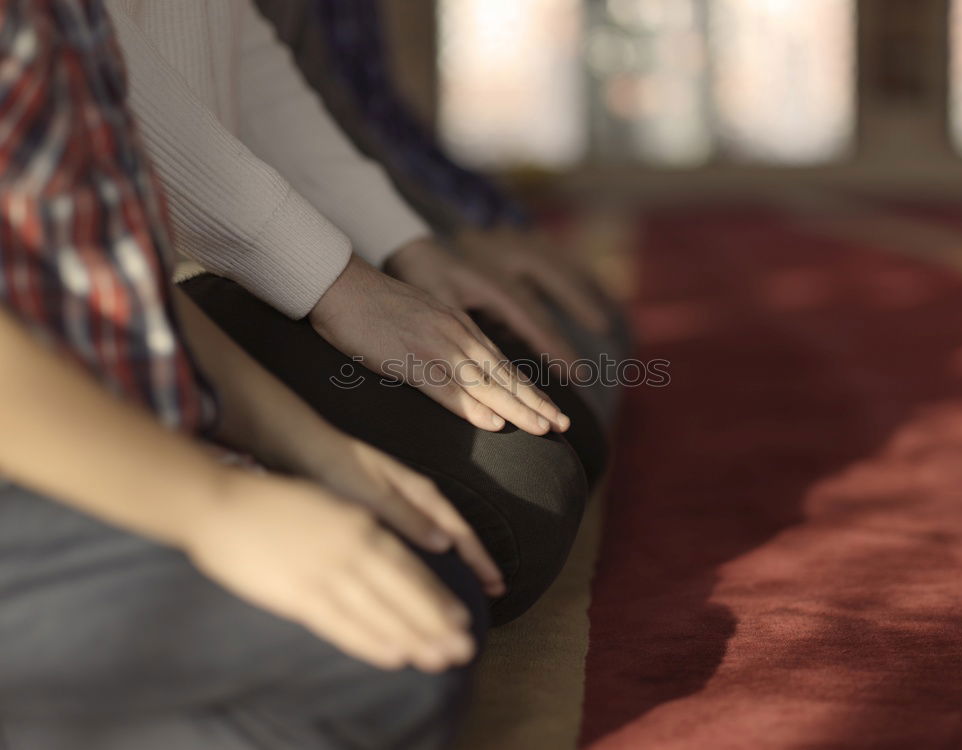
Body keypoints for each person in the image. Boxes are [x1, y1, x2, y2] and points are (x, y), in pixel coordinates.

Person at [0, 1, 495, 746]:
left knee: (427, 571)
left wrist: (322, 450)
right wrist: (215, 508)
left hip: (120, 420)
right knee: (382, 662)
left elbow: (114, 283)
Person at [103, 0, 606, 624]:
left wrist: (405, 246)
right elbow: (102, 69)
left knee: (568, 426)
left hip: (229, 243)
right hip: (130, 268)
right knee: (520, 501)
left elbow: (247, 58)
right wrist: (335, 283)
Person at [254, 0, 632, 427]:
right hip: (281, 238)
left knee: (581, 349)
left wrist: (472, 225)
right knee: (530, 449)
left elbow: (369, 117)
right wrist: (335, 277)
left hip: (366, 210)